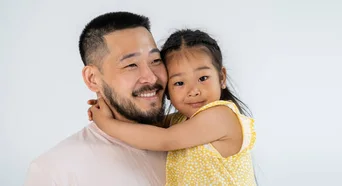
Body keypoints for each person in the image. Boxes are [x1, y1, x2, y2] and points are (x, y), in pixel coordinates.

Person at [88, 29, 257, 186]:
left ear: (221, 77)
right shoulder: (180, 121)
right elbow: (145, 128)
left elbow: (164, 139)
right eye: (179, 83)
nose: (193, 91)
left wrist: (105, 122)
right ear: (167, 90)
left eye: (203, 78)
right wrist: (108, 106)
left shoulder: (221, 116)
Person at [23, 11, 168, 186]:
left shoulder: (191, 140)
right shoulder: (55, 170)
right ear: (92, 78)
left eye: (156, 60)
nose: (151, 78)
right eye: (131, 65)